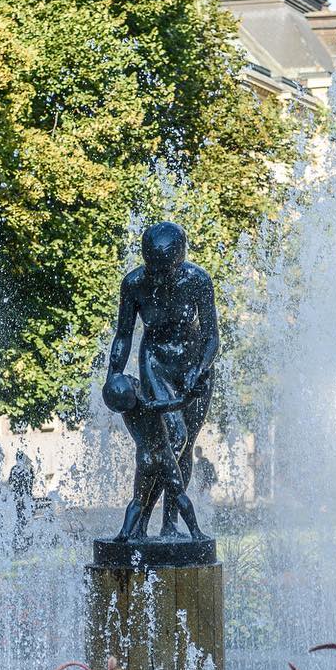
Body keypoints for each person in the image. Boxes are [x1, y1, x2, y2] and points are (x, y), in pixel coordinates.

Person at [107, 221, 219, 537]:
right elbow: (123, 335)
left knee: (185, 443)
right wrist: (113, 374)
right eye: (154, 270)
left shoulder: (197, 280)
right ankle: (142, 519)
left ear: (180, 260)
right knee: (172, 435)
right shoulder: (134, 284)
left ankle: (169, 524)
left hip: (194, 364)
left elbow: (212, 337)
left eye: (166, 270)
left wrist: (201, 370)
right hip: (155, 360)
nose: (160, 278)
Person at [103, 371, 204, 542]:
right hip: (163, 455)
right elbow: (180, 403)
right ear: (133, 391)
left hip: (144, 458)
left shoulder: (126, 413)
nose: (133, 378)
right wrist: (193, 395)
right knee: (179, 494)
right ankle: (196, 533)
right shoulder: (151, 406)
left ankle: (125, 533)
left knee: (138, 500)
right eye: (131, 380)